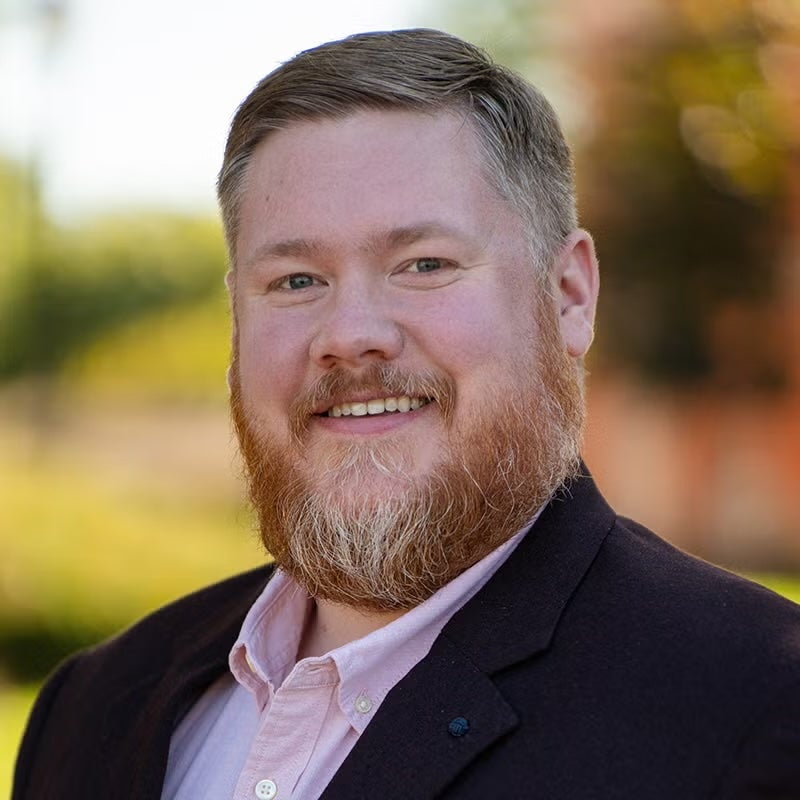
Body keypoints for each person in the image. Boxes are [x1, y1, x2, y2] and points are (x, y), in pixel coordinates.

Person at [13, 28, 800, 800]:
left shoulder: (758, 709)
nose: (351, 334)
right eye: (294, 280)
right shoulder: (93, 706)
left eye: (424, 264)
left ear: (568, 296)